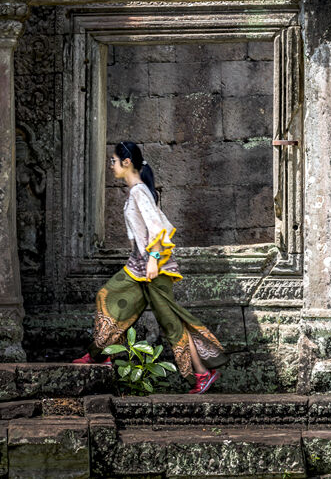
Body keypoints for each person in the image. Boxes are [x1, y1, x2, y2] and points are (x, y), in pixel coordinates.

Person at [72, 140, 228, 394]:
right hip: (137, 269)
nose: (110, 166)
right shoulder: (138, 191)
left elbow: (160, 228)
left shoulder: (139, 192)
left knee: (172, 323)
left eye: (113, 161)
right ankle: (100, 354)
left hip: (154, 269)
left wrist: (154, 259)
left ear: (126, 162)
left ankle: (202, 374)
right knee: (107, 296)